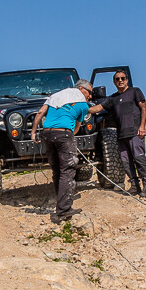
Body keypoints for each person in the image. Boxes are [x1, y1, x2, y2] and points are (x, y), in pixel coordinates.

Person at [30, 79, 93, 223]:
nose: (90, 96)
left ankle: (60, 204)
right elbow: (77, 127)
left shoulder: (55, 96)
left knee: (57, 170)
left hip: (47, 134)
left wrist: (33, 132)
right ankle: (64, 210)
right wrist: (70, 138)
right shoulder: (82, 104)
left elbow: (40, 112)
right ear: (82, 89)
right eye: (89, 93)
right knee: (67, 170)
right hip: (64, 134)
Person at [88, 70, 146, 197]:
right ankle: (135, 186)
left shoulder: (135, 91)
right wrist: (80, 108)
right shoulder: (113, 98)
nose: (120, 81)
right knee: (126, 162)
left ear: (127, 80)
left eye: (122, 78)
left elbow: (144, 108)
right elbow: (98, 108)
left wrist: (142, 126)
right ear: (114, 82)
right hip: (121, 135)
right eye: (117, 79)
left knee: (139, 159)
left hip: (135, 132)